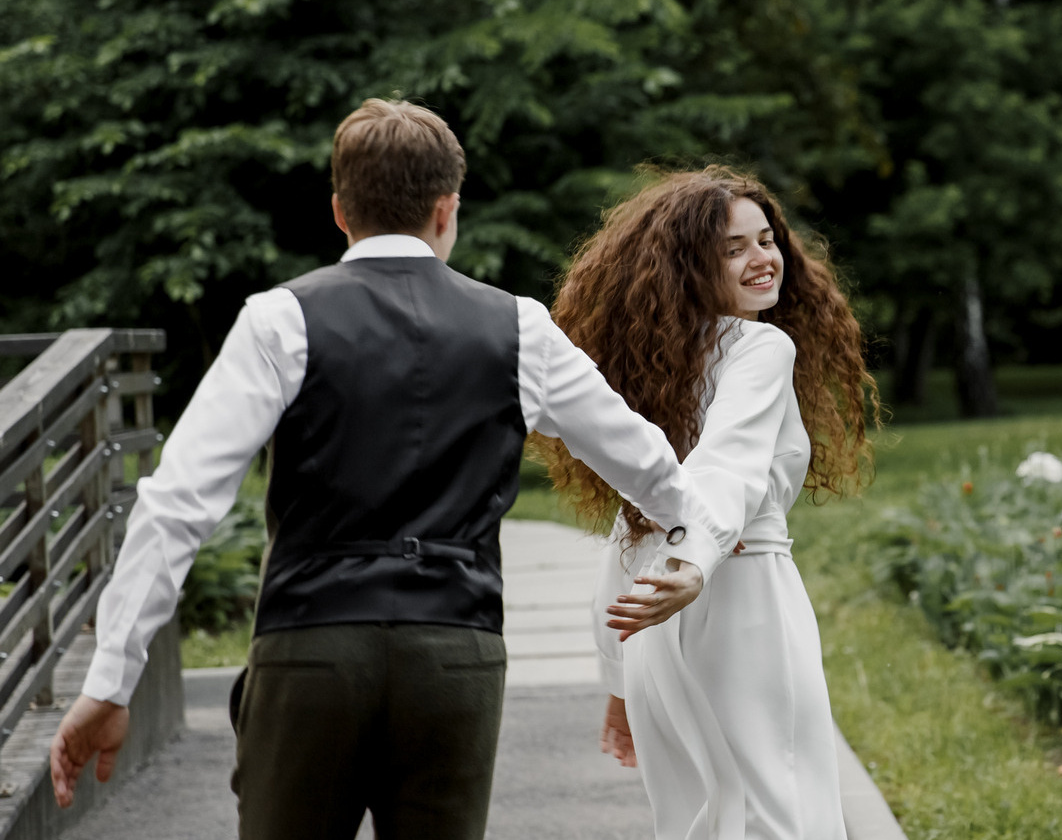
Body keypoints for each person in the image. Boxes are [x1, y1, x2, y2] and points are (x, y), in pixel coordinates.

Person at [50, 99, 728, 839]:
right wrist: (702, 546)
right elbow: (656, 472)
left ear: (340, 211)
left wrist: (111, 681)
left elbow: (176, 504)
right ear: (448, 208)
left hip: (310, 646)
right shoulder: (521, 327)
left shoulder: (281, 319)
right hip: (455, 654)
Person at [533, 166, 876, 840]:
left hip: (660, 627)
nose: (764, 258)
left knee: (698, 819)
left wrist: (618, 673)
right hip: (740, 604)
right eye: (734, 248)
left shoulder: (658, 364)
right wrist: (693, 560)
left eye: (767, 238)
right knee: (783, 813)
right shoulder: (761, 346)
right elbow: (729, 467)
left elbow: (634, 525)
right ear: (691, 266)